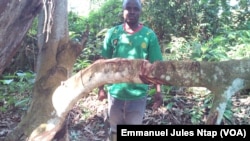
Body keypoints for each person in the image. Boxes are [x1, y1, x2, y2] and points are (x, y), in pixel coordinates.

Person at [98, 0, 163, 140]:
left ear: (140, 11)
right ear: (123, 11)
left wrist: (158, 92)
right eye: (128, 8)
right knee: (115, 131)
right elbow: (103, 64)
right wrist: (101, 89)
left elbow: (157, 66)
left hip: (138, 95)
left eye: (136, 9)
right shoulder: (113, 33)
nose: (132, 11)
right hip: (115, 94)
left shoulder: (149, 35)